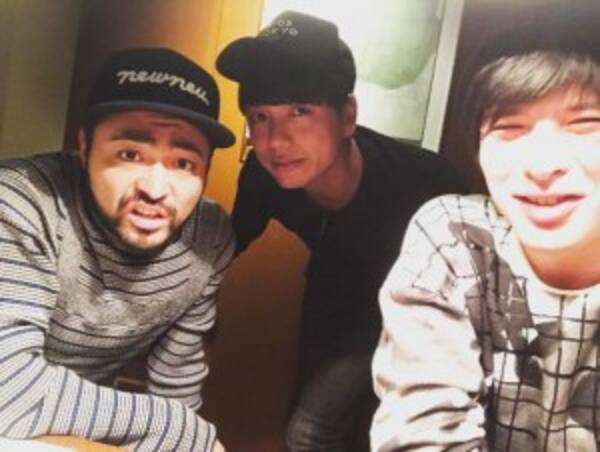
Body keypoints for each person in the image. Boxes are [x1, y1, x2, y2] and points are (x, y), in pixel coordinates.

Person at [216, 11, 467, 451]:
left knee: (318, 431)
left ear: (346, 116)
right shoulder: (262, 173)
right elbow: (227, 241)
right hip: (334, 289)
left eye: (300, 111)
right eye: (259, 116)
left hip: (419, 312)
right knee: (307, 428)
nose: (276, 141)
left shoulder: (425, 185)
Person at [370, 5, 600, 450]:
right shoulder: (457, 239)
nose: (542, 165)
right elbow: (422, 435)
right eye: (510, 127)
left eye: (585, 124)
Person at [0, 47, 235, 451]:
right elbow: (8, 390)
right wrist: (179, 428)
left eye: (183, 163)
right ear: (84, 145)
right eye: (130, 154)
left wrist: (179, 433)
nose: (155, 190)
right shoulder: (22, 202)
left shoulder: (209, 238)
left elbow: (177, 382)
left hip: (76, 425)